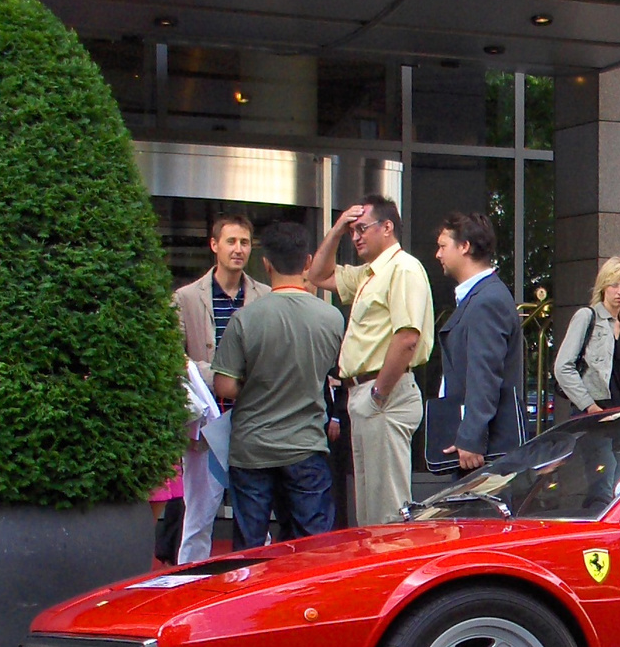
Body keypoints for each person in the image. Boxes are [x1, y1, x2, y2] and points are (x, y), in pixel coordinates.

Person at [211, 222, 345, 549]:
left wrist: (256, 385)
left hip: (251, 448)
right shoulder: (331, 318)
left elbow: (224, 385)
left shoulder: (245, 318)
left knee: (250, 550)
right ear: (308, 262)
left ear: (266, 264)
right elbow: (335, 373)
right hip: (306, 446)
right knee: (311, 549)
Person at [304, 194, 433, 525]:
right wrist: (336, 228)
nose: (356, 236)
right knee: (370, 506)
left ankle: (393, 571)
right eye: (352, 231)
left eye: (362, 228)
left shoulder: (403, 268)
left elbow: (407, 337)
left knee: (387, 508)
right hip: (365, 393)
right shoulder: (368, 274)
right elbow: (317, 275)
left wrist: (379, 393)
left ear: (387, 227)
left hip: (383, 391)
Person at [172, 213, 270, 562]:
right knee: (198, 519)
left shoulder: (265, 296)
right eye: (231, 241)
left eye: (244, 242)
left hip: (252, 420)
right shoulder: (185, 298)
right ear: (214, 245)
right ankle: (188, 591)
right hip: (207, 424)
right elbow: (174, 359)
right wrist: (214, 375)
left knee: (257, 518)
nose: (238, 249)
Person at [433, 212, 526, 472]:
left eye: (442, 246)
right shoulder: (482, 297)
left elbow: (484, 374)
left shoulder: (487, 300)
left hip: (482, 452)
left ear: (465, 247)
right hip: (478, 445)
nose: (437, 255)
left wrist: (472, 437)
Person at [553, 255, 620, 415]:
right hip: (593, 411)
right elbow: (562, 367)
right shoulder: (586, 316)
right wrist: (589, 406)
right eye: (614, 285)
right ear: (604, 287)